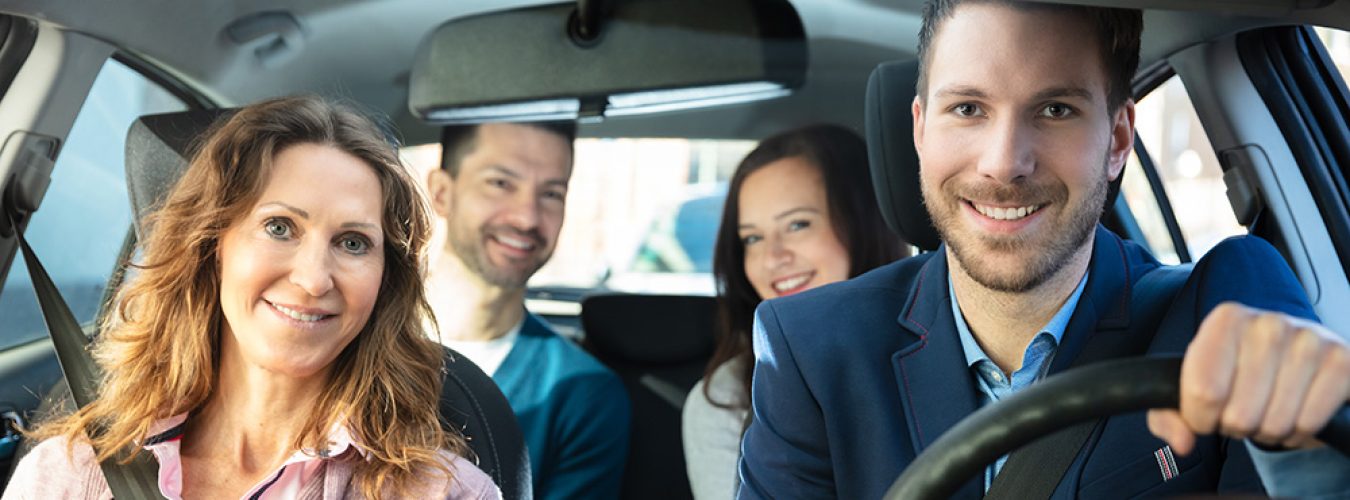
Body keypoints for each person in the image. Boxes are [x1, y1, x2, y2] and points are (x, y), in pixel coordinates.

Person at [737, 2, 1350, 499]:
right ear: (921, 130)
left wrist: (1306, 416)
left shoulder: (1221, 306)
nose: (1005, 163)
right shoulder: (810, 350)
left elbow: (1302, 453)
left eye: (1055, 109)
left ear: (1116, 140)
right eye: (968, 109)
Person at [2, 96, 498, 499]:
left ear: (384, 278)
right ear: (214, 245)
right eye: (279, 227)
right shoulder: (67, 475)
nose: (313, 279)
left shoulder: (445, 494)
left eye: (352, 243)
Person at [681, 124, 908, 499]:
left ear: (864, 222)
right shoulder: (725, 397)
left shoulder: (958, 349)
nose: (773, 258)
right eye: (753, 238)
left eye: (798, 225)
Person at [423, 122, 630, 499]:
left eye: (551, 193)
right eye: (501, 183)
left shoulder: (582, 393)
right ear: (441, 192)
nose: (527, 218)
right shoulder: (351, 341)